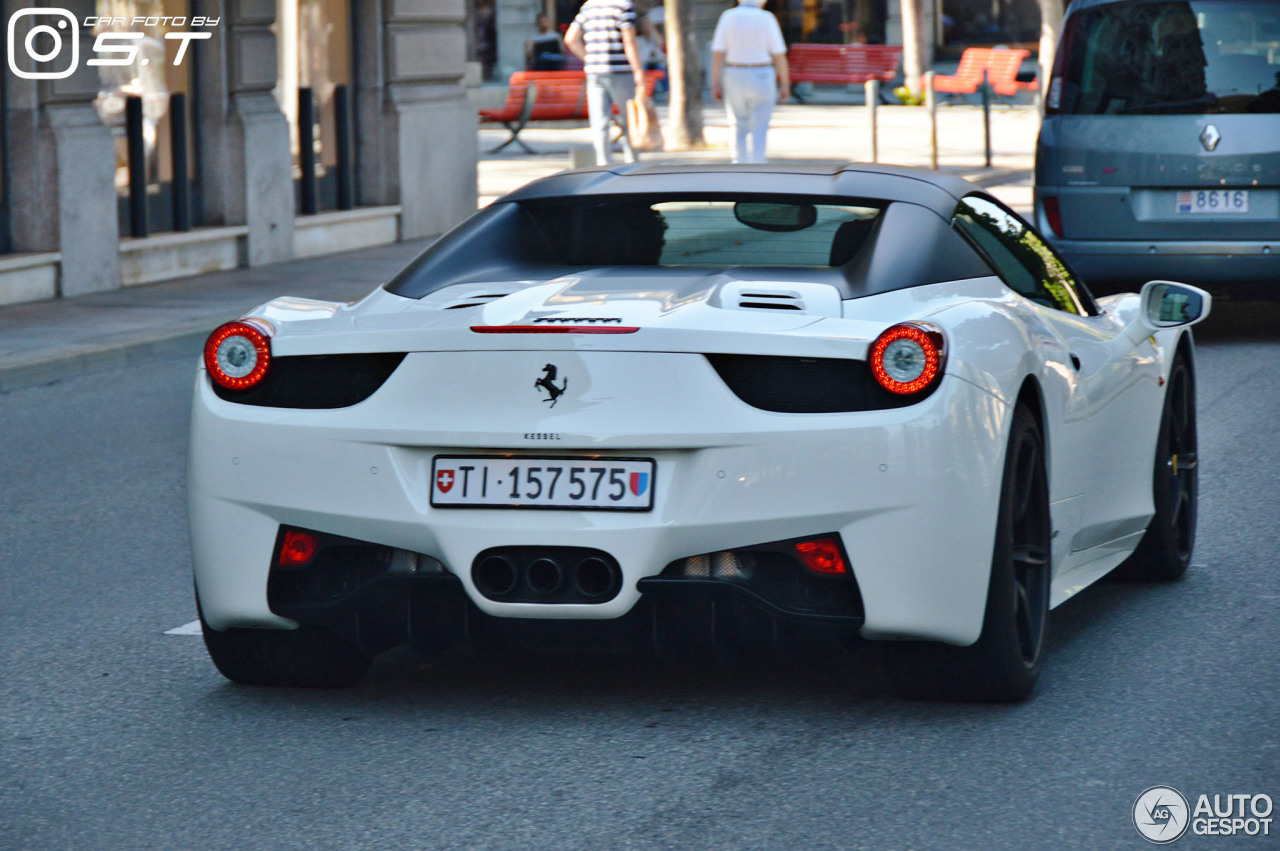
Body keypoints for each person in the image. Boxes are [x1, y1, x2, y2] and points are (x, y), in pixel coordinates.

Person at [566, 0, 647, 165]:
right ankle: (632, 164)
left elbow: (570, 38)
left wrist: (588, 58)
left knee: (599, 123)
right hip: (620, 71)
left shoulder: (589, 6)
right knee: (629, 119)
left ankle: (603, 164)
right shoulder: (623, 6)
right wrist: (638, 70)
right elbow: (629, 41)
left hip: (595, 71)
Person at [710, 0, 791, 164]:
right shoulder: (767, 18)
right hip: (762, 74)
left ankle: (738, 164)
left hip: (734, 73)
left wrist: (715, 82)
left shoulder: (728, 16)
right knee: (760, 127)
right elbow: (779, 55)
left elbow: (718, 53)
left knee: (737, 124)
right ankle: (758, 163)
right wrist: (785, 84)